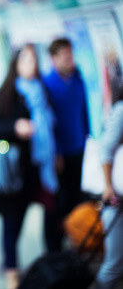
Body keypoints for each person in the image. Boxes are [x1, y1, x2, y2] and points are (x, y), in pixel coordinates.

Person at [0, 44, 58, 289]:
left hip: (38, 169)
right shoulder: (8, 93)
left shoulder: (42, 91)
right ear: (15, 63)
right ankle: (11, 274)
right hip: (13, 173)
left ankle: (53, 265)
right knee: (11, 224)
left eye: (33, 59)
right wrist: (15, 128)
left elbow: (51, 127)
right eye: (25, 59)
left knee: (47, 218)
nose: (30, 64)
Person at [42, 37, 90, 252]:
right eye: (65, 56)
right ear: (53, 58)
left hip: (80, 148)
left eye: (71, 55)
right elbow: (48, 126)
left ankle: (76, 242)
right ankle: (54, 248)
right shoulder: (47, 85)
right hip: (59, 155)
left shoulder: (78, 79)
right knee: (56, 204)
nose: (70, 59)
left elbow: (84, 113)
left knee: (76, 199)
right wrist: (56, 153)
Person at [96, 84, 123, 289]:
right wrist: (107, 186)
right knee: (114, 265)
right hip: (117, 201)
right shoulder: (121, 110)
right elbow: (105, 148)